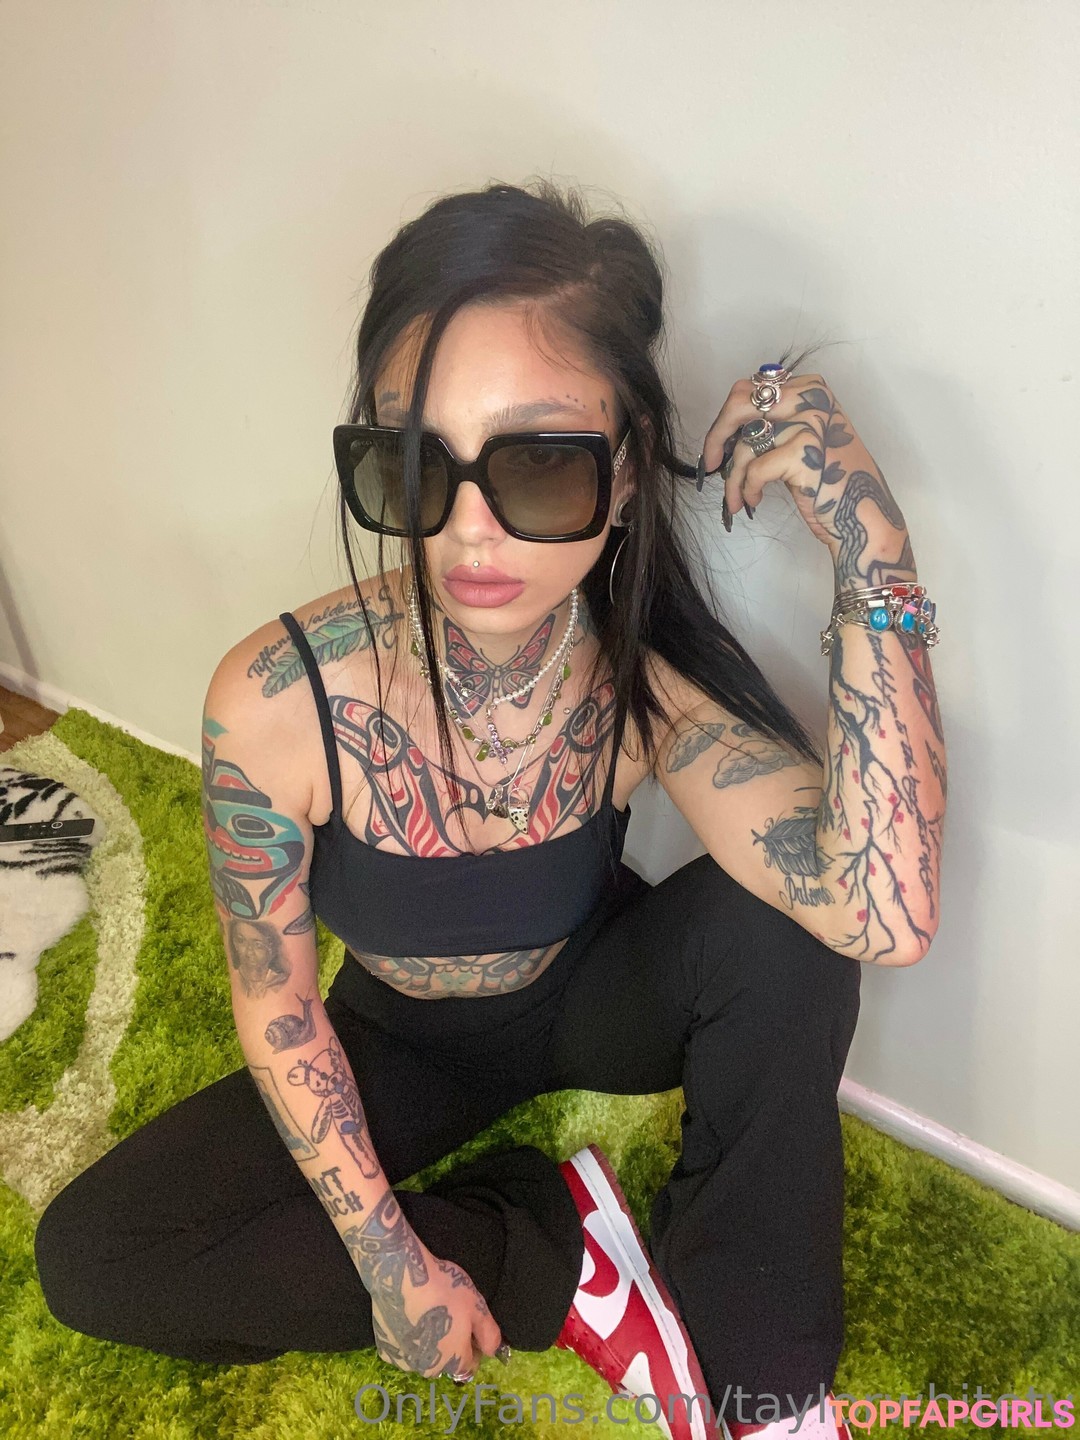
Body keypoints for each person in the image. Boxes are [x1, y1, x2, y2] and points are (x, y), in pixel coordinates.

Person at [34, 179, 945, 1440]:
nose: (469, 531)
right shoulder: (278, 700)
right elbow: (277, 1001)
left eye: (538, 463)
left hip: (592, 1002)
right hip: (397, 1041)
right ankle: (563, 1254)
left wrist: (872, 545)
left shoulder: (645, 692)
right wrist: (392, 1259)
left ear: (625, 475)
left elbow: (882, 914)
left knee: (788, 934)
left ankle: (760, 1388)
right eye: (417, 465)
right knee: (100, 1257)